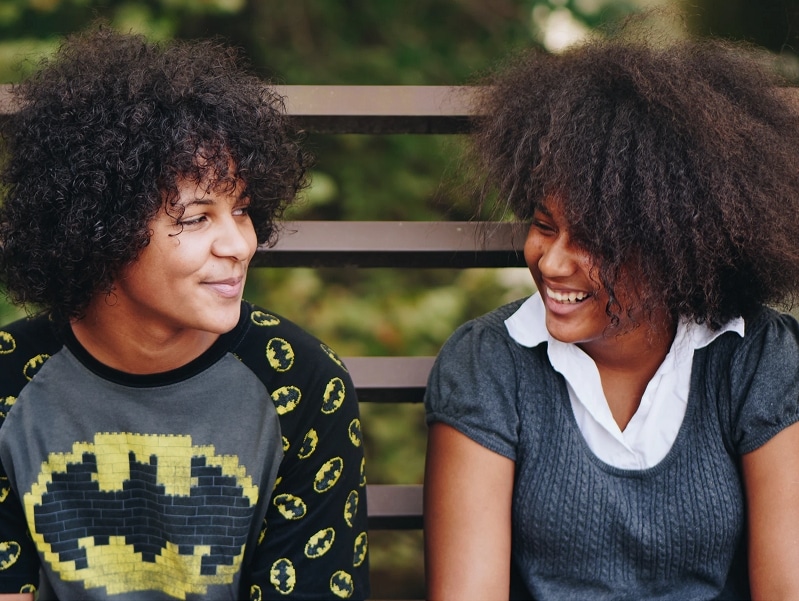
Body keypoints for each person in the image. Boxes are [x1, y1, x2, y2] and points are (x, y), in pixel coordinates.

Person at [423, 31, 799, 601]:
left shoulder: (756, 356)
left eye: (594, 240)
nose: (550, 261)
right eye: (544, 226)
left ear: (678, 245)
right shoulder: (490, 363)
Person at [0, 27, 368, 600]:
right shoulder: (10, 377)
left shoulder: (301, 380)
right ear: (101, 226)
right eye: (196, 217)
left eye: (242, 210)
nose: (240, 246)